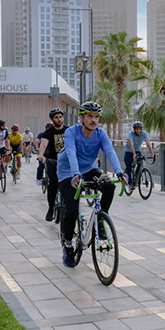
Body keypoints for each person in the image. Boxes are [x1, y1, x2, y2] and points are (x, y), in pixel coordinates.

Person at [57, 101, 127, 268]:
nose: (93, 120)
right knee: (72, 209)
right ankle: (67, 245)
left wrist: (119, 171)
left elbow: (109, 151)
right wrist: (75, 174)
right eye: (89, 116)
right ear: (82, 117)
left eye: (96, 117)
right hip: (68, 171)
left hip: (89, 168)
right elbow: (71, 152)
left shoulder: (100, 134)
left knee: (109, 186)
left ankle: (101, 220)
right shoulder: (71, 132)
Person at [38, 108, 67, 221]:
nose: (59, 119)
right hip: (53, 162)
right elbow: (43, 145)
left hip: (67, 163)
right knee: (53, 184)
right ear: (52, 119)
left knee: (67, 185)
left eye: (60, 117)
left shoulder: (68, 130)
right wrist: (41, 155)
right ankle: (50, 208)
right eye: (56, 117)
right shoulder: (49, 132)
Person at [124, 121, 155, 188]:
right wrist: (134, 154)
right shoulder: (131, 134)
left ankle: (136, 178)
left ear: (141, 129)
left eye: (139, 129)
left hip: (138, 150)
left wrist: (152, 154)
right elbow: (131, 144)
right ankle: (129, 183)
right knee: (129, 167)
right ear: (134, 129)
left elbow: (148, 144)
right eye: (136, 129)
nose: (138, 130)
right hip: (129, 151)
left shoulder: (144, 134)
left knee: (140, 163)